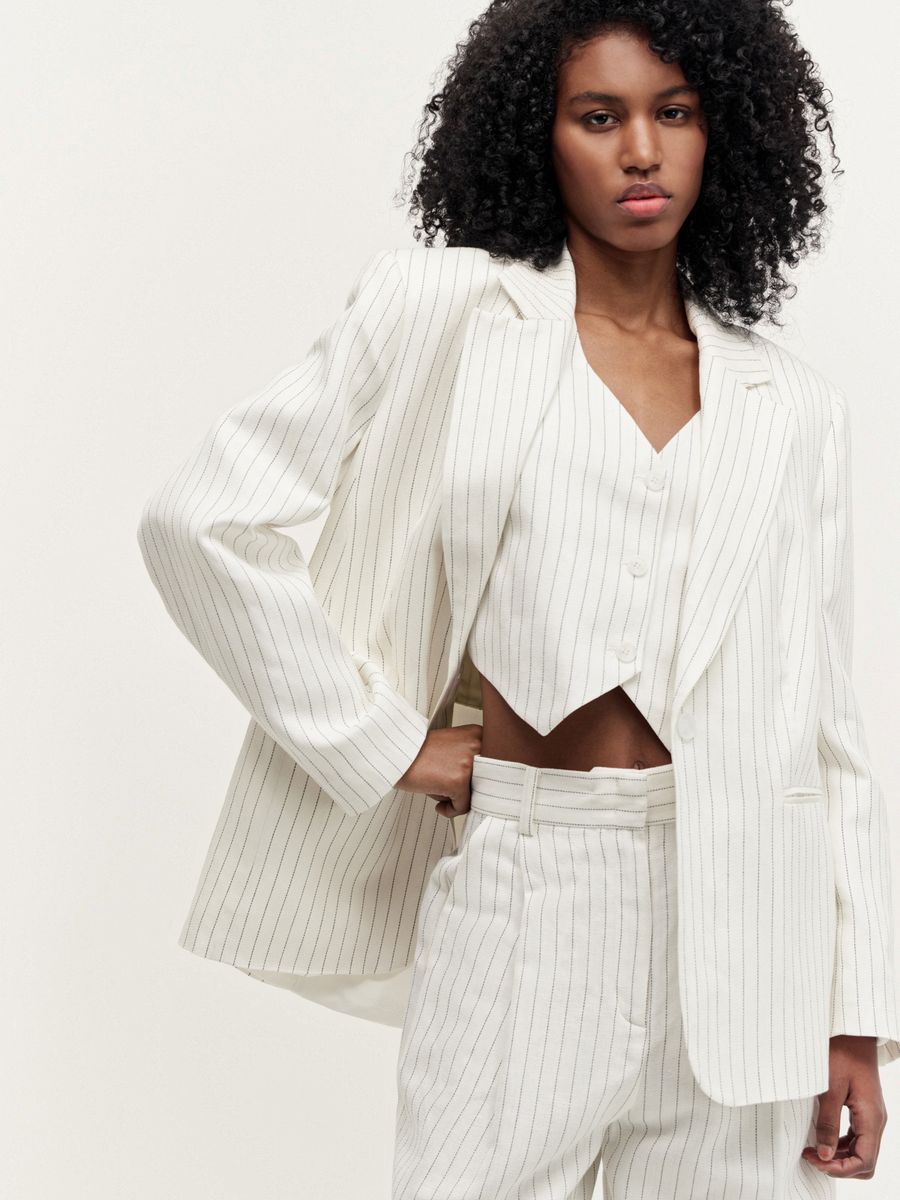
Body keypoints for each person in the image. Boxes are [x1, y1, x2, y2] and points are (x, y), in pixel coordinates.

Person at [137, 1, 900, 1194]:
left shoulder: (791, 405)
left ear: (726, 132)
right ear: (535, 136)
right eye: (598, 117)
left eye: (674, 113)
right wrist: (389, 744)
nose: (641, 151)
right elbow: (201, 522)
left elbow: (826, 722)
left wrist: (857, 1013)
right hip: (529, 888)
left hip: (753, 929)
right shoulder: (445, 314)